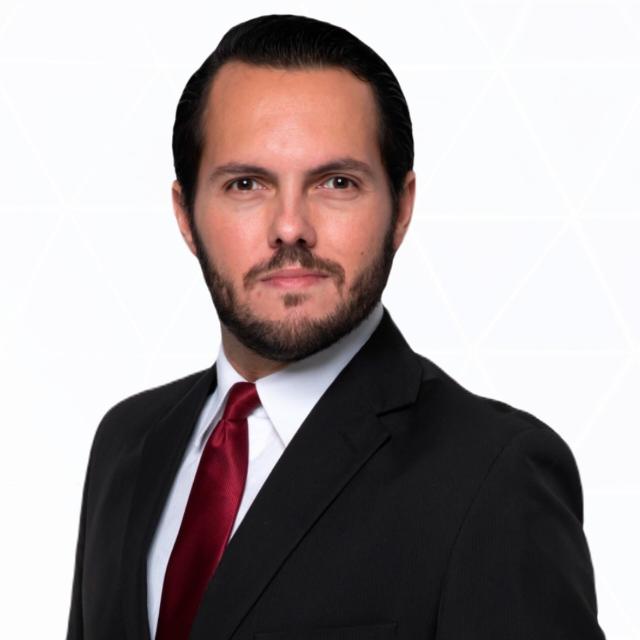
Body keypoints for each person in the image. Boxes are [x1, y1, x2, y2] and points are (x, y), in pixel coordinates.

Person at [66, 14, 606, 640]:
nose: (290, 227)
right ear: (185, 214)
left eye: (337, 183)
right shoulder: (127, 443)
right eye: (246, 184)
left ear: (401, 209)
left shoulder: (494, 477)